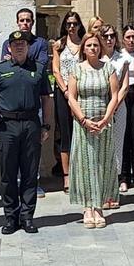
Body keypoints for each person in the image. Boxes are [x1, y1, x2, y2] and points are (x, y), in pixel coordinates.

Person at [0, 30, 54, 234]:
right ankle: (10, 217)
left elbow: (47, 99)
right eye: (15, 44)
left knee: (29, 173)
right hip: (7, 126)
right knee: (7, 174)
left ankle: (27, 216)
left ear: (28, 46)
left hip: (31, 125)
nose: (19, 47)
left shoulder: (39, 69)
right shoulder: (0, 69)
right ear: (9, 47)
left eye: (23, 44)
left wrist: (46, 125)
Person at [68, 32, 120, 227]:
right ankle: (87, 208)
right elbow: (72, 97)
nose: (92, 48)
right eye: (89, 45)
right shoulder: (76, 69)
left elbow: (113, 95)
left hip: (103, 124)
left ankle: (98, 206)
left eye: (96, 46)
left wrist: (106, 119)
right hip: (83, 124)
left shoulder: (108, 68)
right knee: (84, 164)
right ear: (83, 48)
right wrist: (83, 120)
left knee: (101, 164)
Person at [51, 11, 85, 192]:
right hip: (63, 93)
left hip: (81, 93)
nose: (72, 27)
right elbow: (56, 70)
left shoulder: (85, 43)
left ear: (80, 25)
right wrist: (65, 90)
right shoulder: (59, 45)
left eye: (75, 24)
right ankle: (67, 176)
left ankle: (80, 173)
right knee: (65, 133)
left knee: (81, 133)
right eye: (68, 24)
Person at [99, 25, 128, 209]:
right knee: (102, 150)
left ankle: (114, 190)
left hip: (119, 108)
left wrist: (115, 105)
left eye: (112, 36)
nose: (109, 39)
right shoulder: (96, 58)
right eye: (105, 36)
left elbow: (124, 85)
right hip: (100, 109)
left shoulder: (123, 59)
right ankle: (103, 191)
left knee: (116, 148)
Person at [119, 23, 134, 193]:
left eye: (133, 37)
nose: (131, 40)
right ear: (123, 39)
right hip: (123, 96)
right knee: (124, 136)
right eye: (128, 37)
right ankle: (124, 177)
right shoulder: (120, 56)